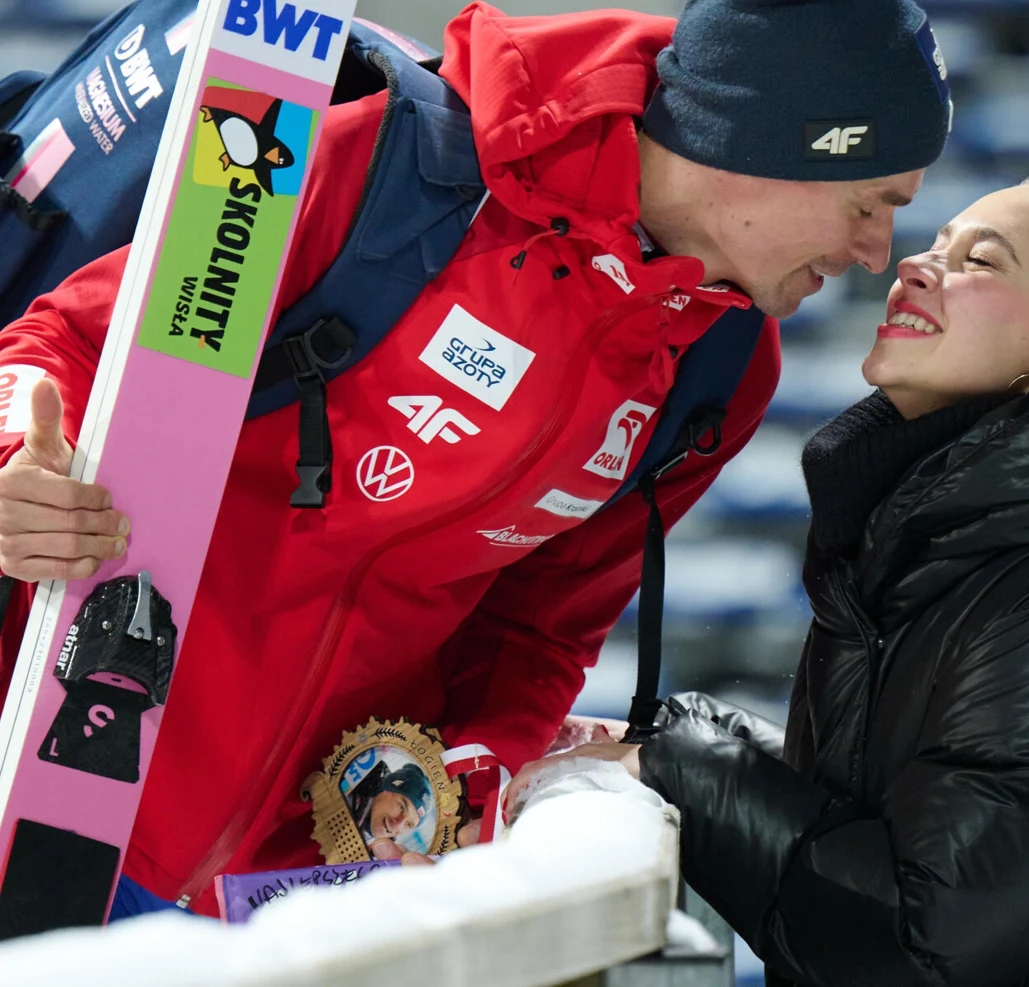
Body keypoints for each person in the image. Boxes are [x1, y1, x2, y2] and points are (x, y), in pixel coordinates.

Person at [0, 0, 951, 914]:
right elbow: (65, 342)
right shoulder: (386, 167)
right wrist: (17, 465)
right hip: (54, 776)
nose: (876, 253)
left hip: (290, 894)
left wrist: (475, 762)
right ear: (776, 149)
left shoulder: (722, 364)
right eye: (871, 204)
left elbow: (540, 632)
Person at [505, 168, 1029, 985]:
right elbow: (913, 808)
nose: (916, 267)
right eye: (935, 243)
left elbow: (920, 943)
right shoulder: (963, 536)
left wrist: (689, 767)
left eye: (981, 262)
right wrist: (671, 741)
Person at [345, 760, 433, 856]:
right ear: (385, 790)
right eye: (401, 807)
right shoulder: (347, 786)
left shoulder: (376, 855)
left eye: (408, 824)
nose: (397, 825)